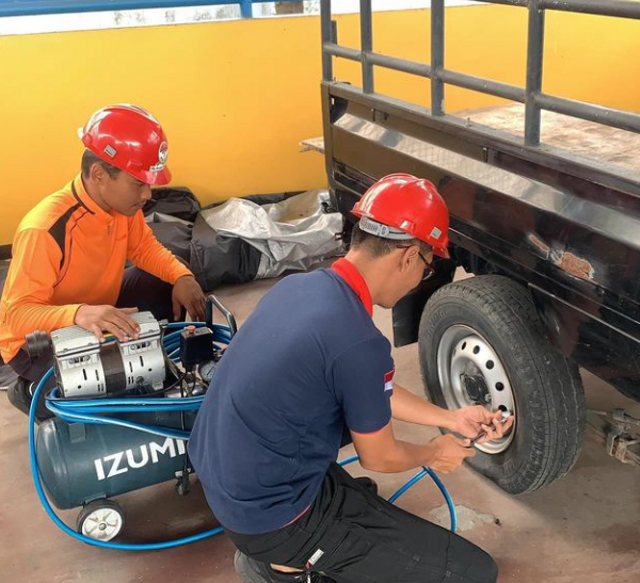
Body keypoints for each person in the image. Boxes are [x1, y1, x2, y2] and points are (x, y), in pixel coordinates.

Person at [188, 173, 513, 583]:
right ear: (409, 256)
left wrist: (450, 419)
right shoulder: (356, 338)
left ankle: (279, 554)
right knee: (473, 572)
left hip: (229, 477)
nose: (420, 279)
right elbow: (379, 456)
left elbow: (371, 386)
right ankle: (280, 566)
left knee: (366, 504)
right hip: (270, 517)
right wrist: (433, 452)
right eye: (428, 268)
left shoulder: (302, 288)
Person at [0, 104, 206, 419]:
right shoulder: (44, 230)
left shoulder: (124, 207)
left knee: (161, 281)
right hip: (37, 339)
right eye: (138, 183)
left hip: (97, 308)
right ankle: (29, 392)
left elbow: (144, 248)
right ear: (99, 174)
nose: (147, 193)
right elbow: (16, 316)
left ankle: (139, 355)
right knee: (101, 395)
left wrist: (181, 276)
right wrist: (80, 313)